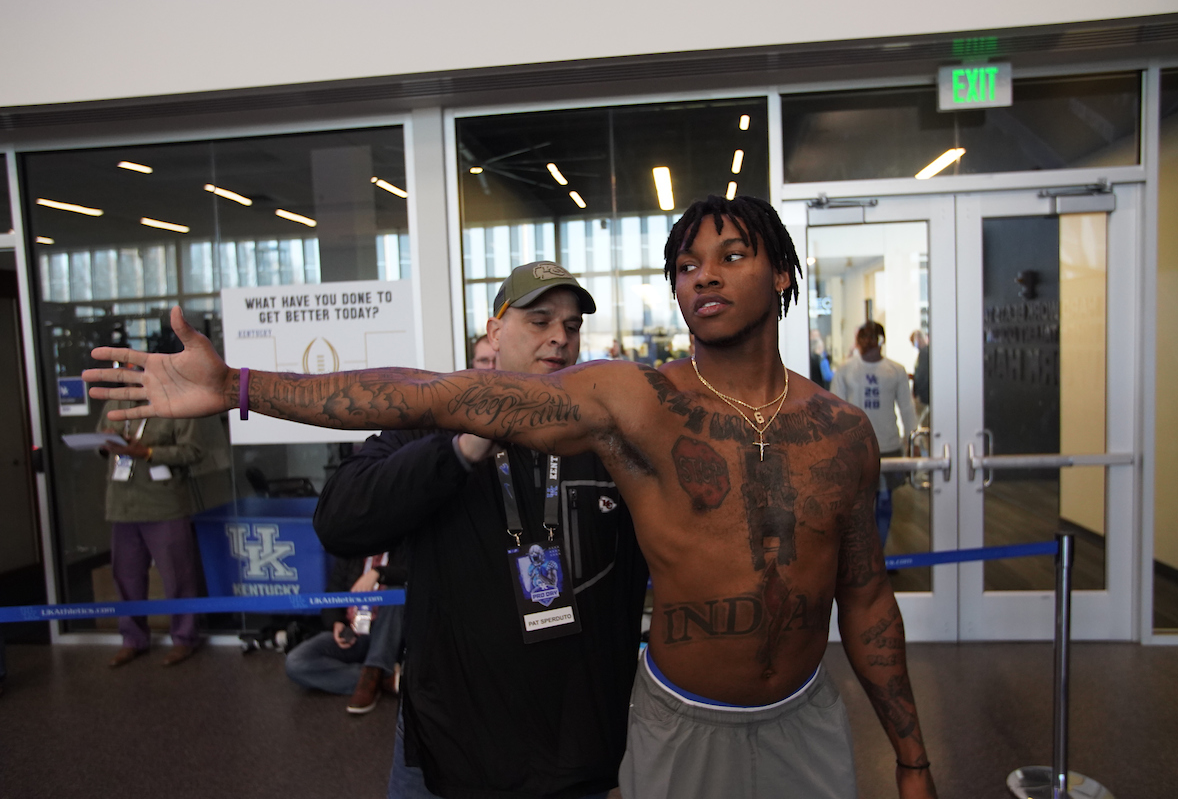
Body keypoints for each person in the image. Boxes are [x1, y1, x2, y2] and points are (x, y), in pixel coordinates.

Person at [85, 195, 937, 799]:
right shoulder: (632, 405)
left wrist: (911, 757)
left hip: (731, 725)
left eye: (730, 257)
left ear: (784, 277)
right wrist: (240, 384)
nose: (703, 277)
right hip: (588, 731)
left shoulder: (838, 434)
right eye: (685, 266)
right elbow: (418, 398)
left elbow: (864, 598)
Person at [313, 262, 648, 798]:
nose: (560, 336)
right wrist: (462, 448)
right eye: (540, 321)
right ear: (495, 332)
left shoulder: (607, 436)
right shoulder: (436, 420)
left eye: (572, 325)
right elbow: (339, 520)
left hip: (575, 751)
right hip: (451, 748)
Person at [97, 398, 225, 667]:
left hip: (163, 503)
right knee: (126, 576)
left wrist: (148, 452)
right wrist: (104, 443)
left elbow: (193, 451)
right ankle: (132, 639)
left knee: (177, 575)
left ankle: (184, 638)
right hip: (123, 504)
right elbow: (101, 444)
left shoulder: (174, 406)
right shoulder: (113, 406)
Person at [830, 322, 919, 548]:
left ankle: (878, 551)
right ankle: (861, 553)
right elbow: (834, 410)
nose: (870, 343)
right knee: (859, 503)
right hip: (855, 447)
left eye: (873, 338)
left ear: (881, 340)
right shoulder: (847, 370)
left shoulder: (895, 370)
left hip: (887, 445)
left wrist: (914, 440)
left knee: (884, 501)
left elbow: (907, 408)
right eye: (866, 338)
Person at [284, 548, 406, 715]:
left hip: (388, 636)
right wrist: (337, 622)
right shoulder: (350, 554)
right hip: (354, 632)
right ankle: (380, 679)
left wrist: (379, 573)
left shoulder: (405, 549)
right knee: (296, 662)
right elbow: (332, 595)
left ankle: (374, 671)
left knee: (396, 591)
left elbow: (413, 576)